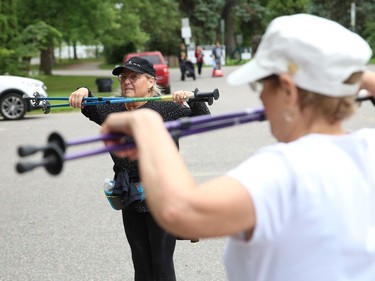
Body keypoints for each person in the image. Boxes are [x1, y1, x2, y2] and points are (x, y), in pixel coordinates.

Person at [99, 14, 375, 281]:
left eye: (262, 84)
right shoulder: (368, 148)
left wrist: (148, 129)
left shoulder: (277, 172)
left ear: (289, 92)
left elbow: (181, 213)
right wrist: (346, 76)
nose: (261, 95)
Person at [69, 56, 210, 281]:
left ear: (151, 82)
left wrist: (192, 99)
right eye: (123, 77)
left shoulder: (167, 109)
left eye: (134, 77)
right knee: (141, 267)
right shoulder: (112, 111)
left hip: (162, 196)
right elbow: (87, 102)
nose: (126, 81)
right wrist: (82, 89)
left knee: (162, 267)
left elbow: (203, 120)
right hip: (130, 196)